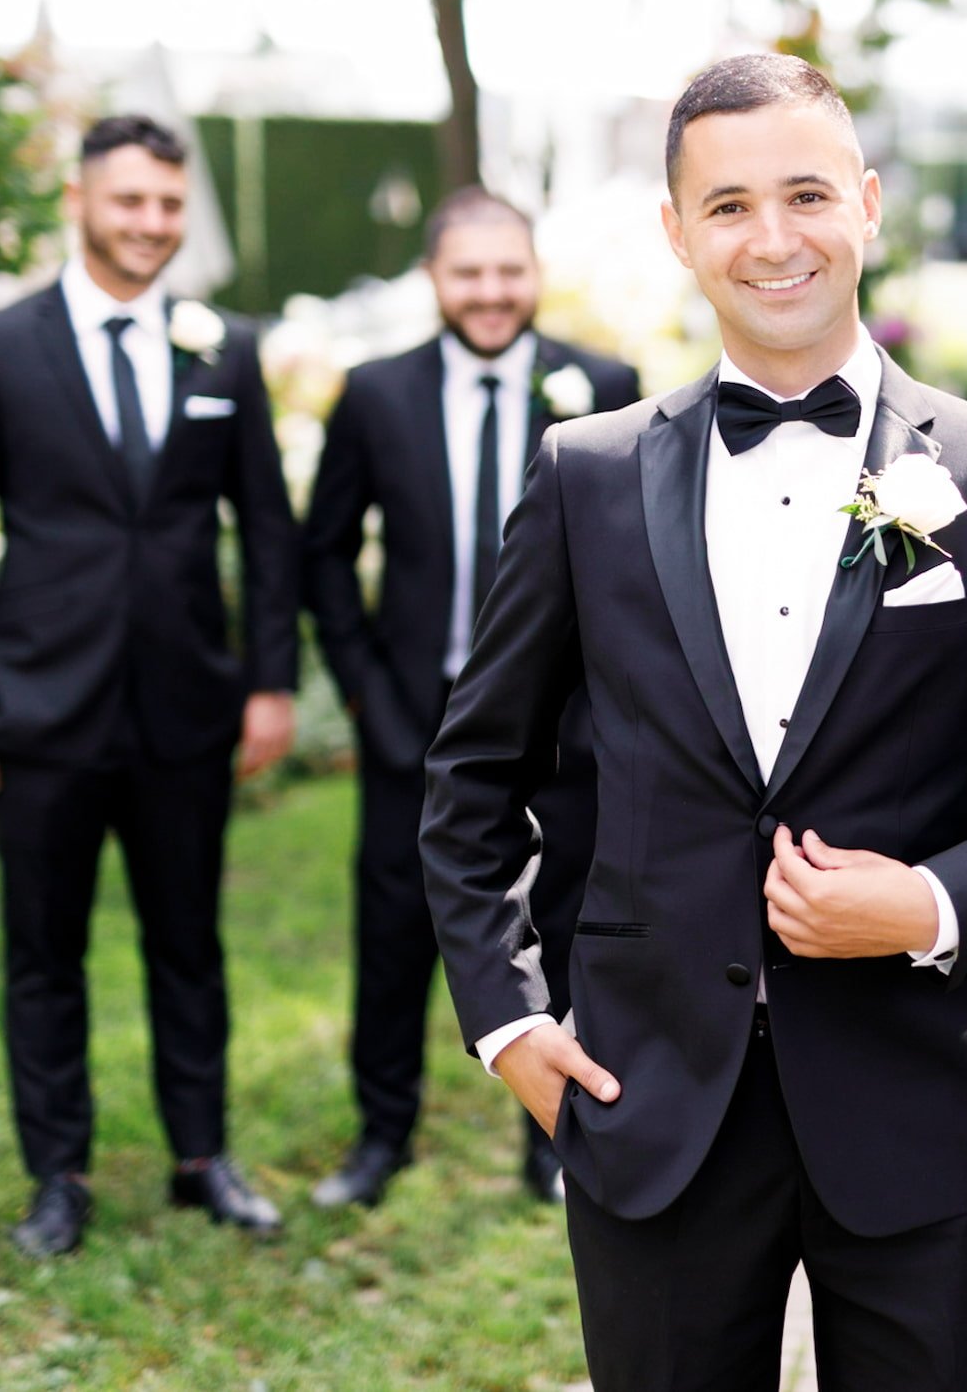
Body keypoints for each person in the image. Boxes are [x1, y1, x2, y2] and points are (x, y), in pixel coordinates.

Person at [419, 53, 967, 1392]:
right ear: (677, 233)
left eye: (808, 193)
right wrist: (508, 1020)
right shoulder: (583, 478)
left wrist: (935, 899)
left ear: (868, 204)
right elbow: (474, 777)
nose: (774, 239)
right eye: (728, 205)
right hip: (647, 1102)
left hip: (914, 1100)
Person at [0, 114, 301, 1258]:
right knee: (45, 950)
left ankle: (201, 1156)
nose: (150, 223)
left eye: (169, 205)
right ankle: (57, 1175)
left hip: (187, 703)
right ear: (80, 200)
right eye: (129, 200)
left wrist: (270, 680)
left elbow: (267, 529)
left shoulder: (221, 346)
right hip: (39, 705)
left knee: (191, 942)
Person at [302, 188, 640, 1210]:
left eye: (508, 271)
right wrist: (365, 687)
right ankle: (380, 1133)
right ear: (434, 279)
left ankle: (556, 1135)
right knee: (394, 921)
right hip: (420, 710)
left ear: (533, 273)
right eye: (468, 273)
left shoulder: (605, 382)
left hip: (567, 722)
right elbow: (323, 551)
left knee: (569, 918)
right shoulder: (373, 393)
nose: (491, 293)